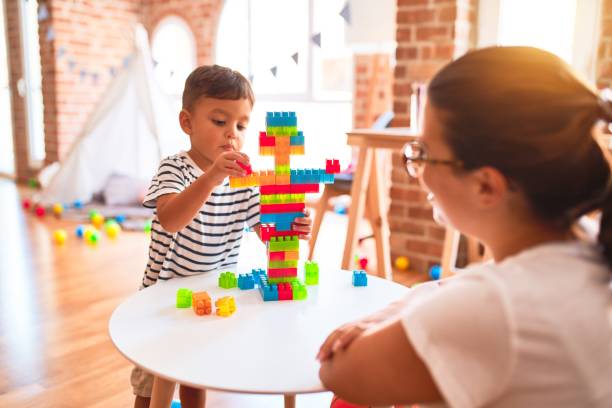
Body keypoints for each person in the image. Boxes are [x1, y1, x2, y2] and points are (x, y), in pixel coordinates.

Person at [317, 46, 612, 407]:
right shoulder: (585, 241)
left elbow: (338, 371)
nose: (417, 172)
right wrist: (408, 305)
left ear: (486, 185)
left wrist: (402, 309)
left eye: (422, 155)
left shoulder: (496, 307)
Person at [132, 65, 312, 408]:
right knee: (153, 384)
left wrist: (292, 226)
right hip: (161, 300)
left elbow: (268, 235)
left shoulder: (244, 180)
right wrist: (211, 178)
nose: (232, 134)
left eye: (241, 125)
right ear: (187, 123)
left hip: (210, 295)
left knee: (196, 375)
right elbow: (170, 219)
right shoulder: (175, 168)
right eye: (220, 122)